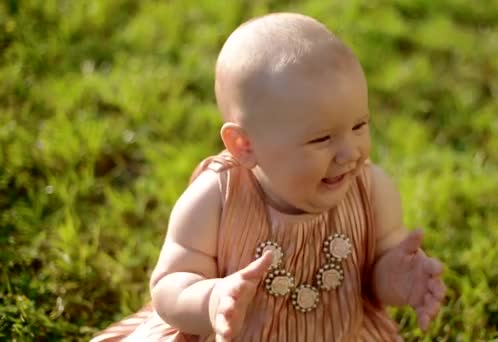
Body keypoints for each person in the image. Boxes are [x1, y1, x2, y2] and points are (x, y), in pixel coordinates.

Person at [92, 12, 446, 342]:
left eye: (359, 126)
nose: (349, 152)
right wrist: (211, 301)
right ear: (244, 145)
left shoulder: (372, 191)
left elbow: (374, 278)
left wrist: (397, 279)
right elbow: (170, 286)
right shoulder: (215, 198)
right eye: (321, 138)